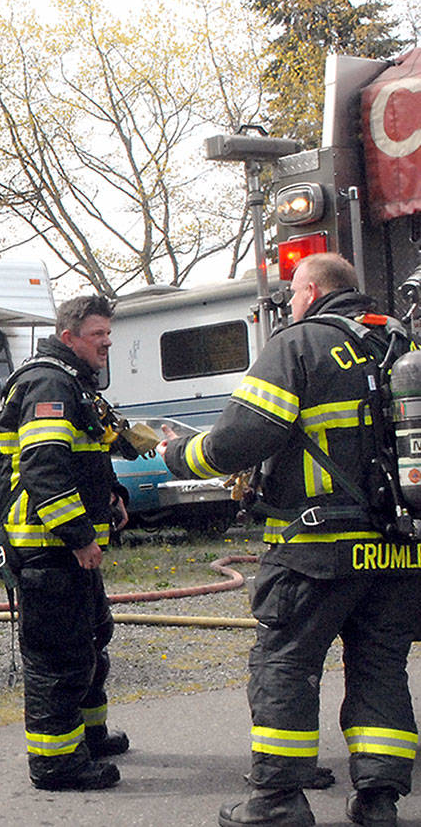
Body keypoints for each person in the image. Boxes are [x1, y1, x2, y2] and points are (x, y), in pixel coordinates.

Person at [164, 253, 420, 827]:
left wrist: (179, 452)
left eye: (291, 296)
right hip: (399, 547)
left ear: (308, 291)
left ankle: (277, 800)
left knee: (284, 665)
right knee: (381, 666)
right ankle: (379, 800)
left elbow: (238, 440)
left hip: (315, 548)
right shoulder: (401, 350)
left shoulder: (299, 344)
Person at [0, 295, 132, 792]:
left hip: (67, 548)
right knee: (59, 655)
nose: (107, 342)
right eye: (99, 334)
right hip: (47, 548)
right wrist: (76, 535)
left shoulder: (72, 382)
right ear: (70, 335)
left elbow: (83, 458)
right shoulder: (49, 382)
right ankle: (56, 763)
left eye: (109, 334)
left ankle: (87, 736)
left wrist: (112, 496)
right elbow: (44, 465)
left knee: (92, 638)